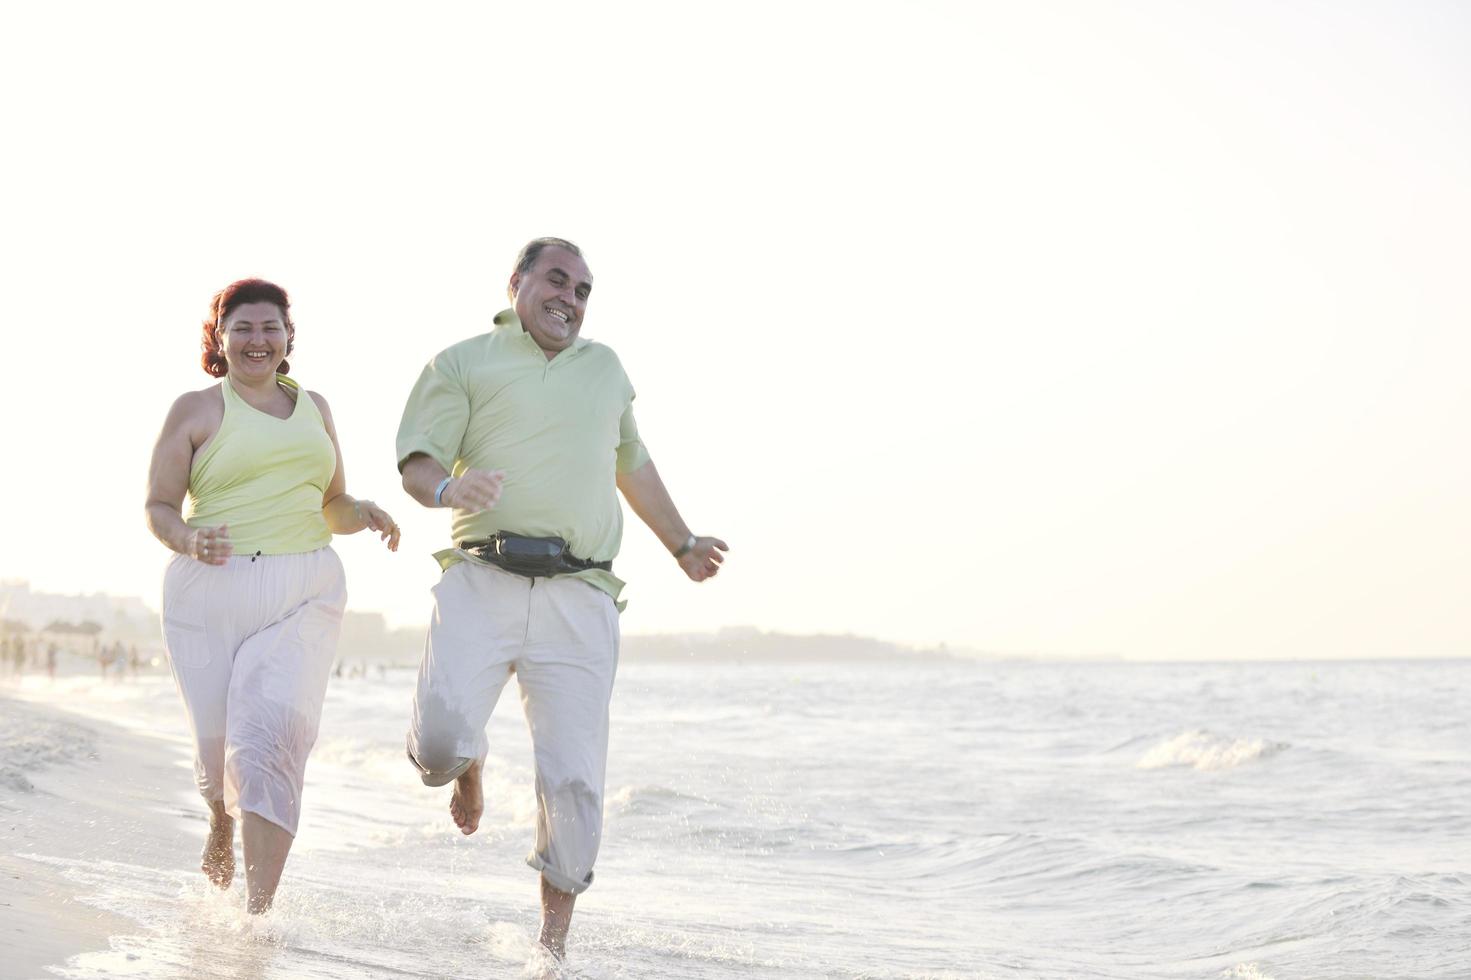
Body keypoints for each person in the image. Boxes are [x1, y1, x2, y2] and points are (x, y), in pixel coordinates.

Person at [396, 238, 728, 960]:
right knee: (438, 746)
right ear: (515, 282)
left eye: (582, 290)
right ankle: (470, 765)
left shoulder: (604, 369)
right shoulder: (462, 361)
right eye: (556, 281)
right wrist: (451, 489)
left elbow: (631, 463)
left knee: (573, 780)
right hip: (481, 578)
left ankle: (550, 956)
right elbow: (418, 461)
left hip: (580, 595)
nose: (569, 299)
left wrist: (681, 544)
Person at [145, 278, 401, 914]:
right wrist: (187, 539)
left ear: (288, 338)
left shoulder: (315, 406)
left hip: (303, 586)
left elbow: (331, 504)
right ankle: (218, 817)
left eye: (270, 328)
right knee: (215, 743)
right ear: (221, 338)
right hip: (210, 591)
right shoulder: (196, 409)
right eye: (243, 329)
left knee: (274, 736)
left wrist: (362, 510)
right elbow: (158, 505)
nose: (257, 340)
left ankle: (257, 916)